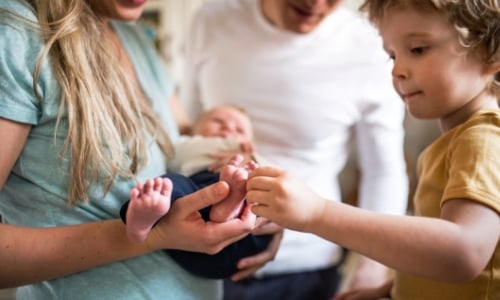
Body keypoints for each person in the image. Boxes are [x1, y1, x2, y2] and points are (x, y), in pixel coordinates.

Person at [0, 1, 261, 299]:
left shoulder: (134, 39)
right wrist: (152, 237)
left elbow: (186, 141)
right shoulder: (13, 35)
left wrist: (262, 225)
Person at [245, 0, 500, 299]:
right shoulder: (455, 142)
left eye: (418, 49)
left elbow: (464, 253)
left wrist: (318, 212)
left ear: (489, 53)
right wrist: (393, 289)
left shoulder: (483, 140)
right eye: (392, 55)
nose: (398, 70)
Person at [180, 0, 409, 299]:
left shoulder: (369, 44)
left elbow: (383, 170)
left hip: (307, 268)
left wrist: (373, 267)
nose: (316, 3)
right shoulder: (211, 21)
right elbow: (189, 128)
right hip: (207, 260)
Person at [120, 105, 272, 279]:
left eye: (239, 129)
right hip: (191, 225)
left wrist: (252, 158)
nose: (228, 128)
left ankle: (230, 204)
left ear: (250, 143)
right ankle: (143, 221)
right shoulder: (189, 144)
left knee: (254, 191)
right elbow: (171, 153)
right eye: (218, 121)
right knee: (170, 184)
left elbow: (279, 179)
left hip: (241, 240)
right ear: (193, 130)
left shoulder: (250, 155)